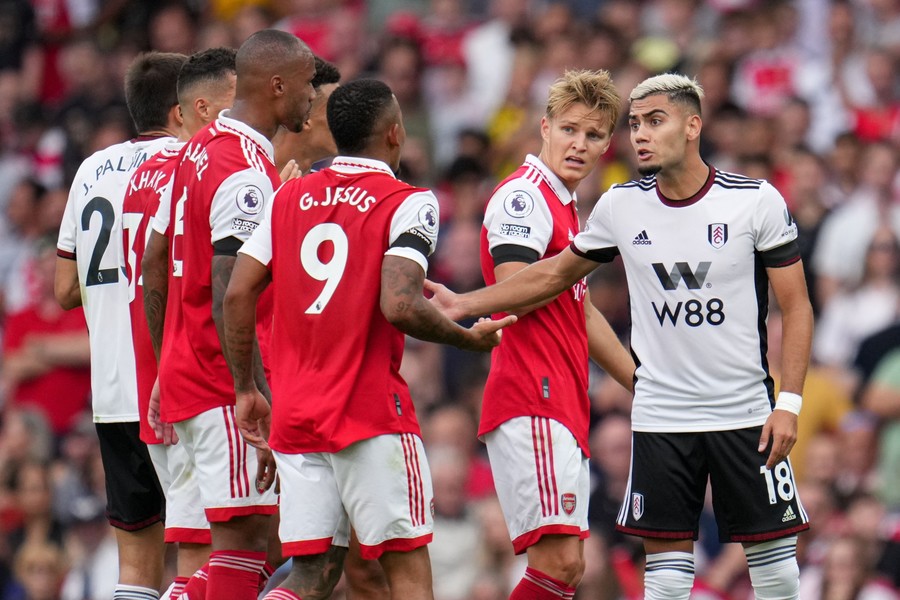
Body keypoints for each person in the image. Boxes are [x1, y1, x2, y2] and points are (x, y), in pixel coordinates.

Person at [427, 73, 814, 600]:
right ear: (544, 127)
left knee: (776, 573)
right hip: (635, 415)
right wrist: (465, 302)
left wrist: (787, 402)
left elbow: (796, 305)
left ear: (694, 125)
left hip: (742, 409)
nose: (641, 135)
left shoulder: (753, 201)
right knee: (647, 577)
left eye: (654, 121)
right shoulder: (609, 205)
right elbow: (541, 279)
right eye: (634, 125)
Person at [222, 78, 514, 600]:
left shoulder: (287, 195)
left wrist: (246, 387)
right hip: (369, 412)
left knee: (310, 576)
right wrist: (467, 339)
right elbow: (400, 303)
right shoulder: (408, 202)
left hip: (296, 413)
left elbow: (238, 293)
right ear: (395, 135)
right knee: (406, 572)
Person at [144, 30, 315, 600]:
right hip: (221, 383)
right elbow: (229, 291)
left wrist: (164, 361)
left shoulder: (197, 148)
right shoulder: (243, 171)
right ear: (277, 85)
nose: (313, 98)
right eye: (308, 85)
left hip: (189, 374)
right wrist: (249, 389)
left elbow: (154, 258)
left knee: (238, 546)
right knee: (243, 547)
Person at [476, 68, 635, 599]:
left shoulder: (567, 211)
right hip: (531, 394)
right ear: (544, 127)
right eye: (569, 129)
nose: (579, 144)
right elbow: (513, 284)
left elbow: (581, 311)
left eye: (593, 136)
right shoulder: (524, 196)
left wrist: (641, 381)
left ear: (606, 145)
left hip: (561, 399)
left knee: (566, 568)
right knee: (562, 562)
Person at [54, 51, 186, 600]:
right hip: (177, 387)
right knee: (211, 545)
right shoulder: (191, 161)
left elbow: (64, 290)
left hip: (111, 392)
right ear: (183, 108)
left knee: (136, 562)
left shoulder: (90, 169)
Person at [124, 47, 238, 600]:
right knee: (213, 556)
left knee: (214, 554)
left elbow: (74, 282)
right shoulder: (197, 168)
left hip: (147, 377)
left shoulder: (137, 175)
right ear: (189, 108)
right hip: (190, 383)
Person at [272, 55, 341, 175]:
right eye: (336, 111)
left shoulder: (328, 191)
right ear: (304, 117)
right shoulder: (241, 175)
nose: (347, 120)